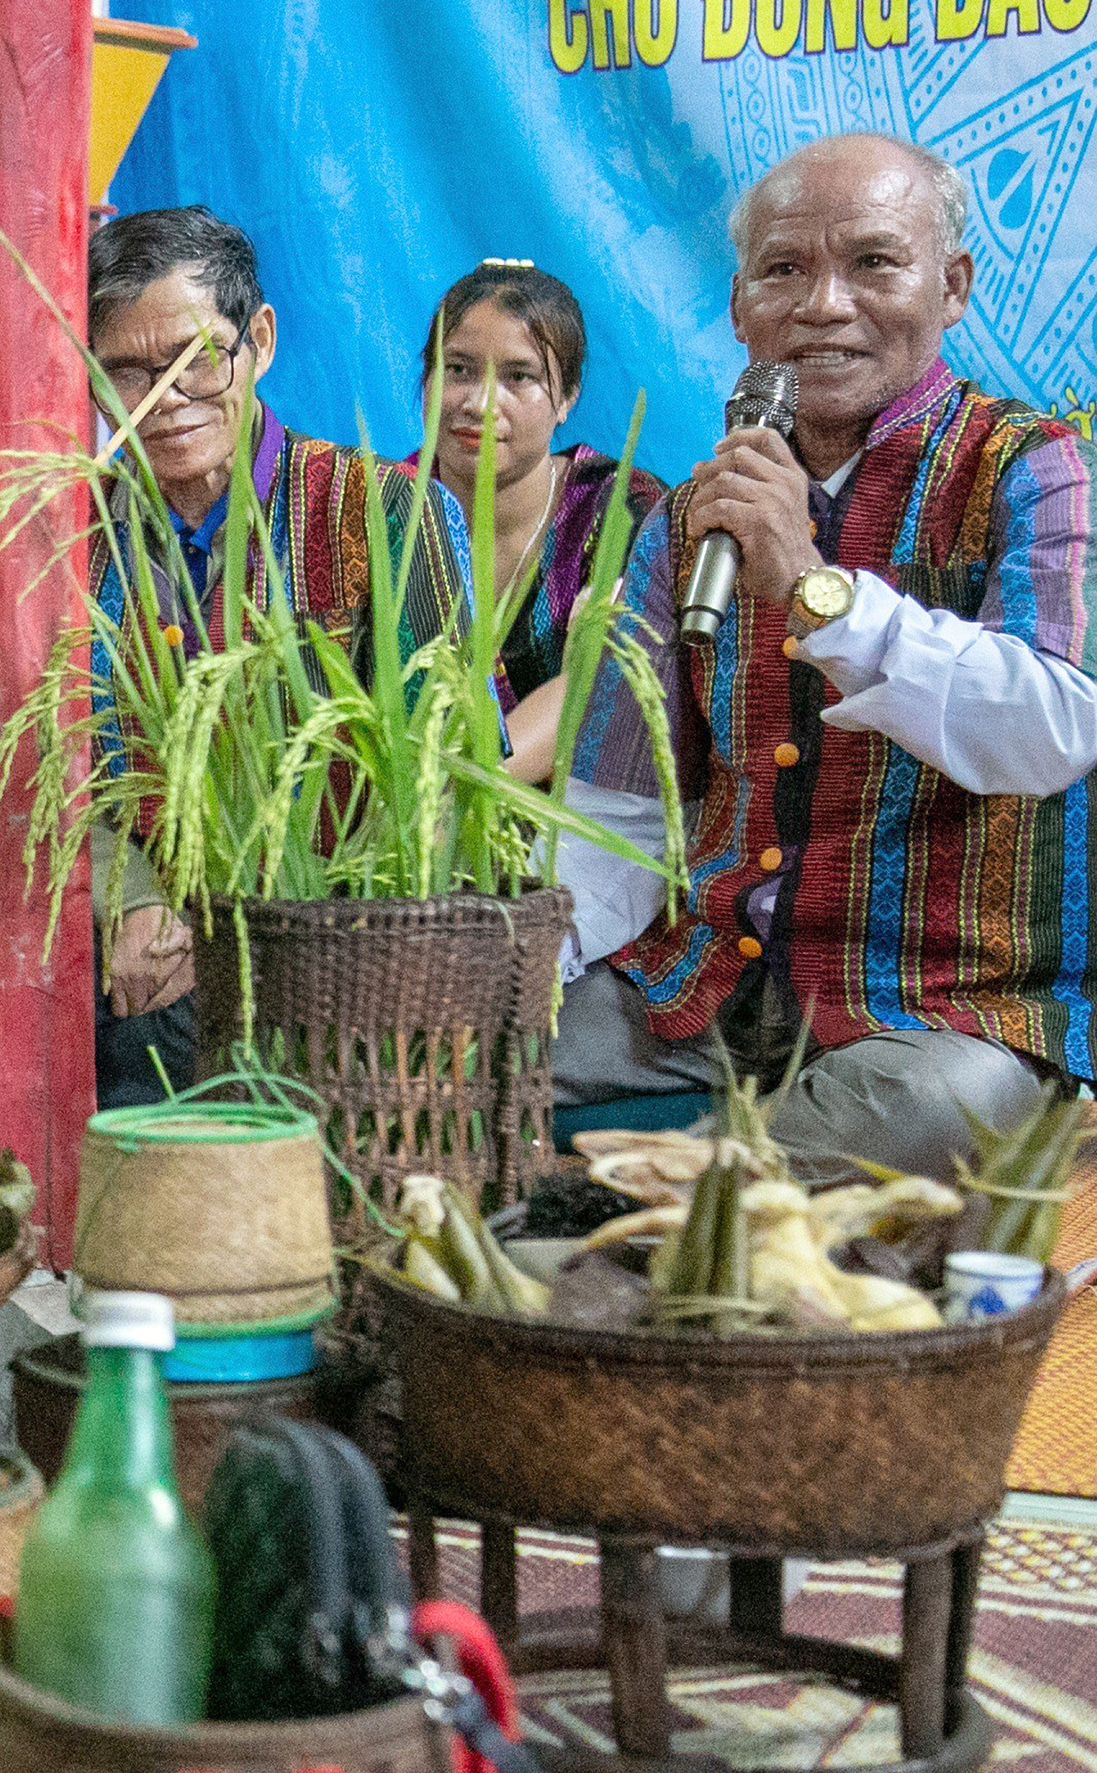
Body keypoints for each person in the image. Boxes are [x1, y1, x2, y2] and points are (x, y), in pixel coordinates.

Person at [559, 133, 1094, 1178]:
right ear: (740, 307)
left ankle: (652, 1214)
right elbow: (616, 805)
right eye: (786, 269)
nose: (824, 305)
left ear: (954, 287)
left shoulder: (1038, 470)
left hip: (950, 1012)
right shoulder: (689, 521)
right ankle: (635, 1223)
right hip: (703, 985)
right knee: (451, 1060)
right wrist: (523, 965)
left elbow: (1054, 725)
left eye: (874, 262)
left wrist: (821, 592)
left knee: (918, 1112)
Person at [81, 206, 477, 1105]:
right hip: (128, 951)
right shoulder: (71, 534)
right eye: (128, 373)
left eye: (196, 361)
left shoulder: (390, 516)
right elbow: (56, 769)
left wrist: (252, 929)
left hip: (336, 955)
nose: (166, 401)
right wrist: (132, 892)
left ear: (257, 339)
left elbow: (448, 766)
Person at [418, 261, 667, 784]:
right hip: (392, 815)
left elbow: (596, 680)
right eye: (458, 369)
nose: (481, 404)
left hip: (571, 841)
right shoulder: (379, 503)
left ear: (568, 398)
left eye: (519, 377)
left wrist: (452, 800)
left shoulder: (620, 511)